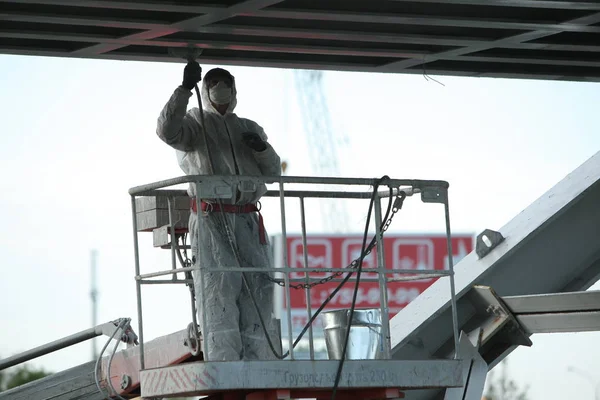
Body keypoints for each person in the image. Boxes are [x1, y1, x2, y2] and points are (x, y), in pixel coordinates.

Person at [156, 61, 281, 361]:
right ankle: (225, 368)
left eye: (226, 83)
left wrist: (261, 149)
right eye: (214, 83)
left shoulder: (248, 127)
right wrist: (184, 90)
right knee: (218, 292)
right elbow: (166, 130)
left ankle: (261, 364)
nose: (221, 89)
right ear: (205, 90)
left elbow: (273, 171)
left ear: (235, 90)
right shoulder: (193, 123)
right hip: (212, 218)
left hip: (248, 218)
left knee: (259, 290)